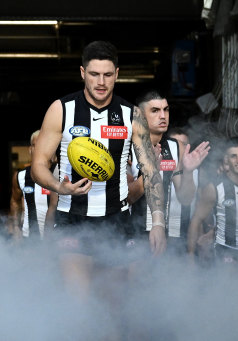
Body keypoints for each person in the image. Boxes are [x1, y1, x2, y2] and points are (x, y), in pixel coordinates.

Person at [31, 41, 167, 302]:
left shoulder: (131, 115)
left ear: (117, 74)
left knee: (112, 309)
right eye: (94, 74)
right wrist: (59, 187)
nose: (101, 81)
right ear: (83, 73)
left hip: (116, 219)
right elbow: (38, 165)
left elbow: (150, 171)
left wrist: (158, 222)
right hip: (72, 219)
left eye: (107, 74)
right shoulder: (62, 109)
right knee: (80, 305)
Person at [127, 92, 209, 255]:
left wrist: (188, 172)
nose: (163, 116)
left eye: (166, 110)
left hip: (168, 234)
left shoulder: (176, 147)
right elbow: (128, 197)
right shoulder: (126, 146)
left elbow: (185, 198)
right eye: (155, 111)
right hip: (132, 232)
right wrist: (151, 172)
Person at [187, 137, 238, 266]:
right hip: (225, 251)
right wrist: (190, 257)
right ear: (226, 159)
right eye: (233, 156)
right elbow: (196, 219)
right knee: (230, 284)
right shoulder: (214, 187)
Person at [9, 130, 57, 242]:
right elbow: (15, 201)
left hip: (57, 239)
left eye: (45, 144)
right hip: (29, 239)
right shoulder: (20, 176)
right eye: (37, 145)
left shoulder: (60, 173)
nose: (41, 149)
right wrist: (16, 228)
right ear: (30, 150)